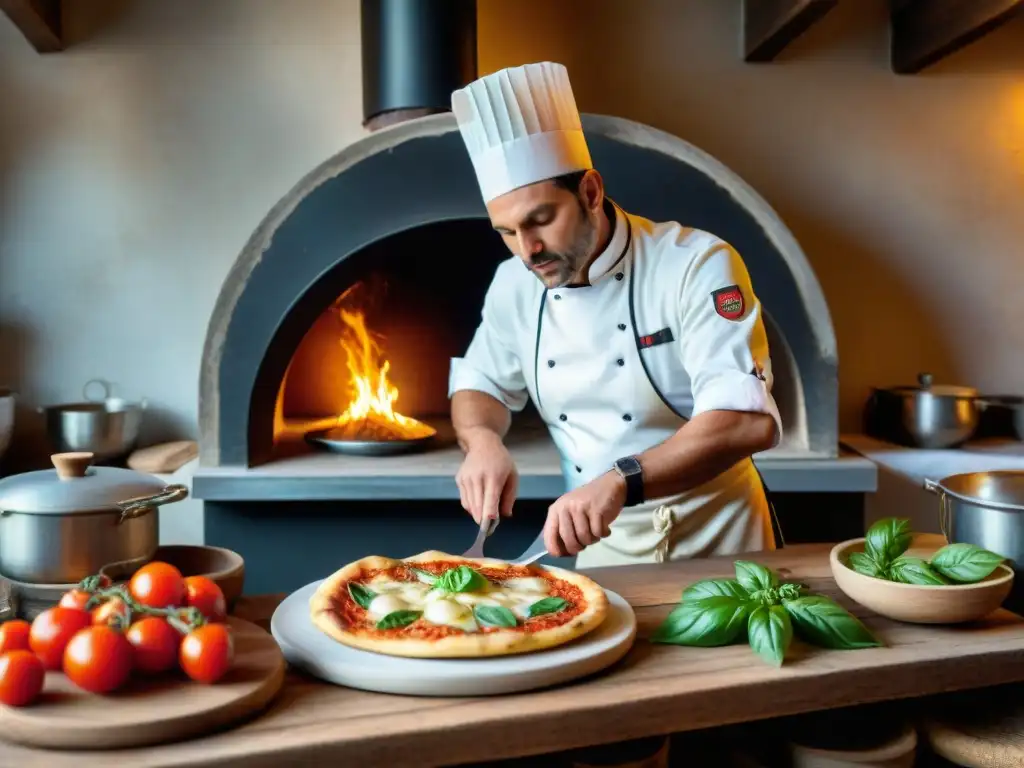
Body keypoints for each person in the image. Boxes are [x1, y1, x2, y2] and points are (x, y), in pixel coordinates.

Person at [448, 62, 783, 567]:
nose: (528, 249)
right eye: (507, 231)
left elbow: (744, 422)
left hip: (721, 541)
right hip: (603, 545)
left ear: (590, 192)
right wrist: (481, 441)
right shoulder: (514, 284)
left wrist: (620, 479)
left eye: (540, 220)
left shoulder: (696, 264)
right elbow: (480, 384)